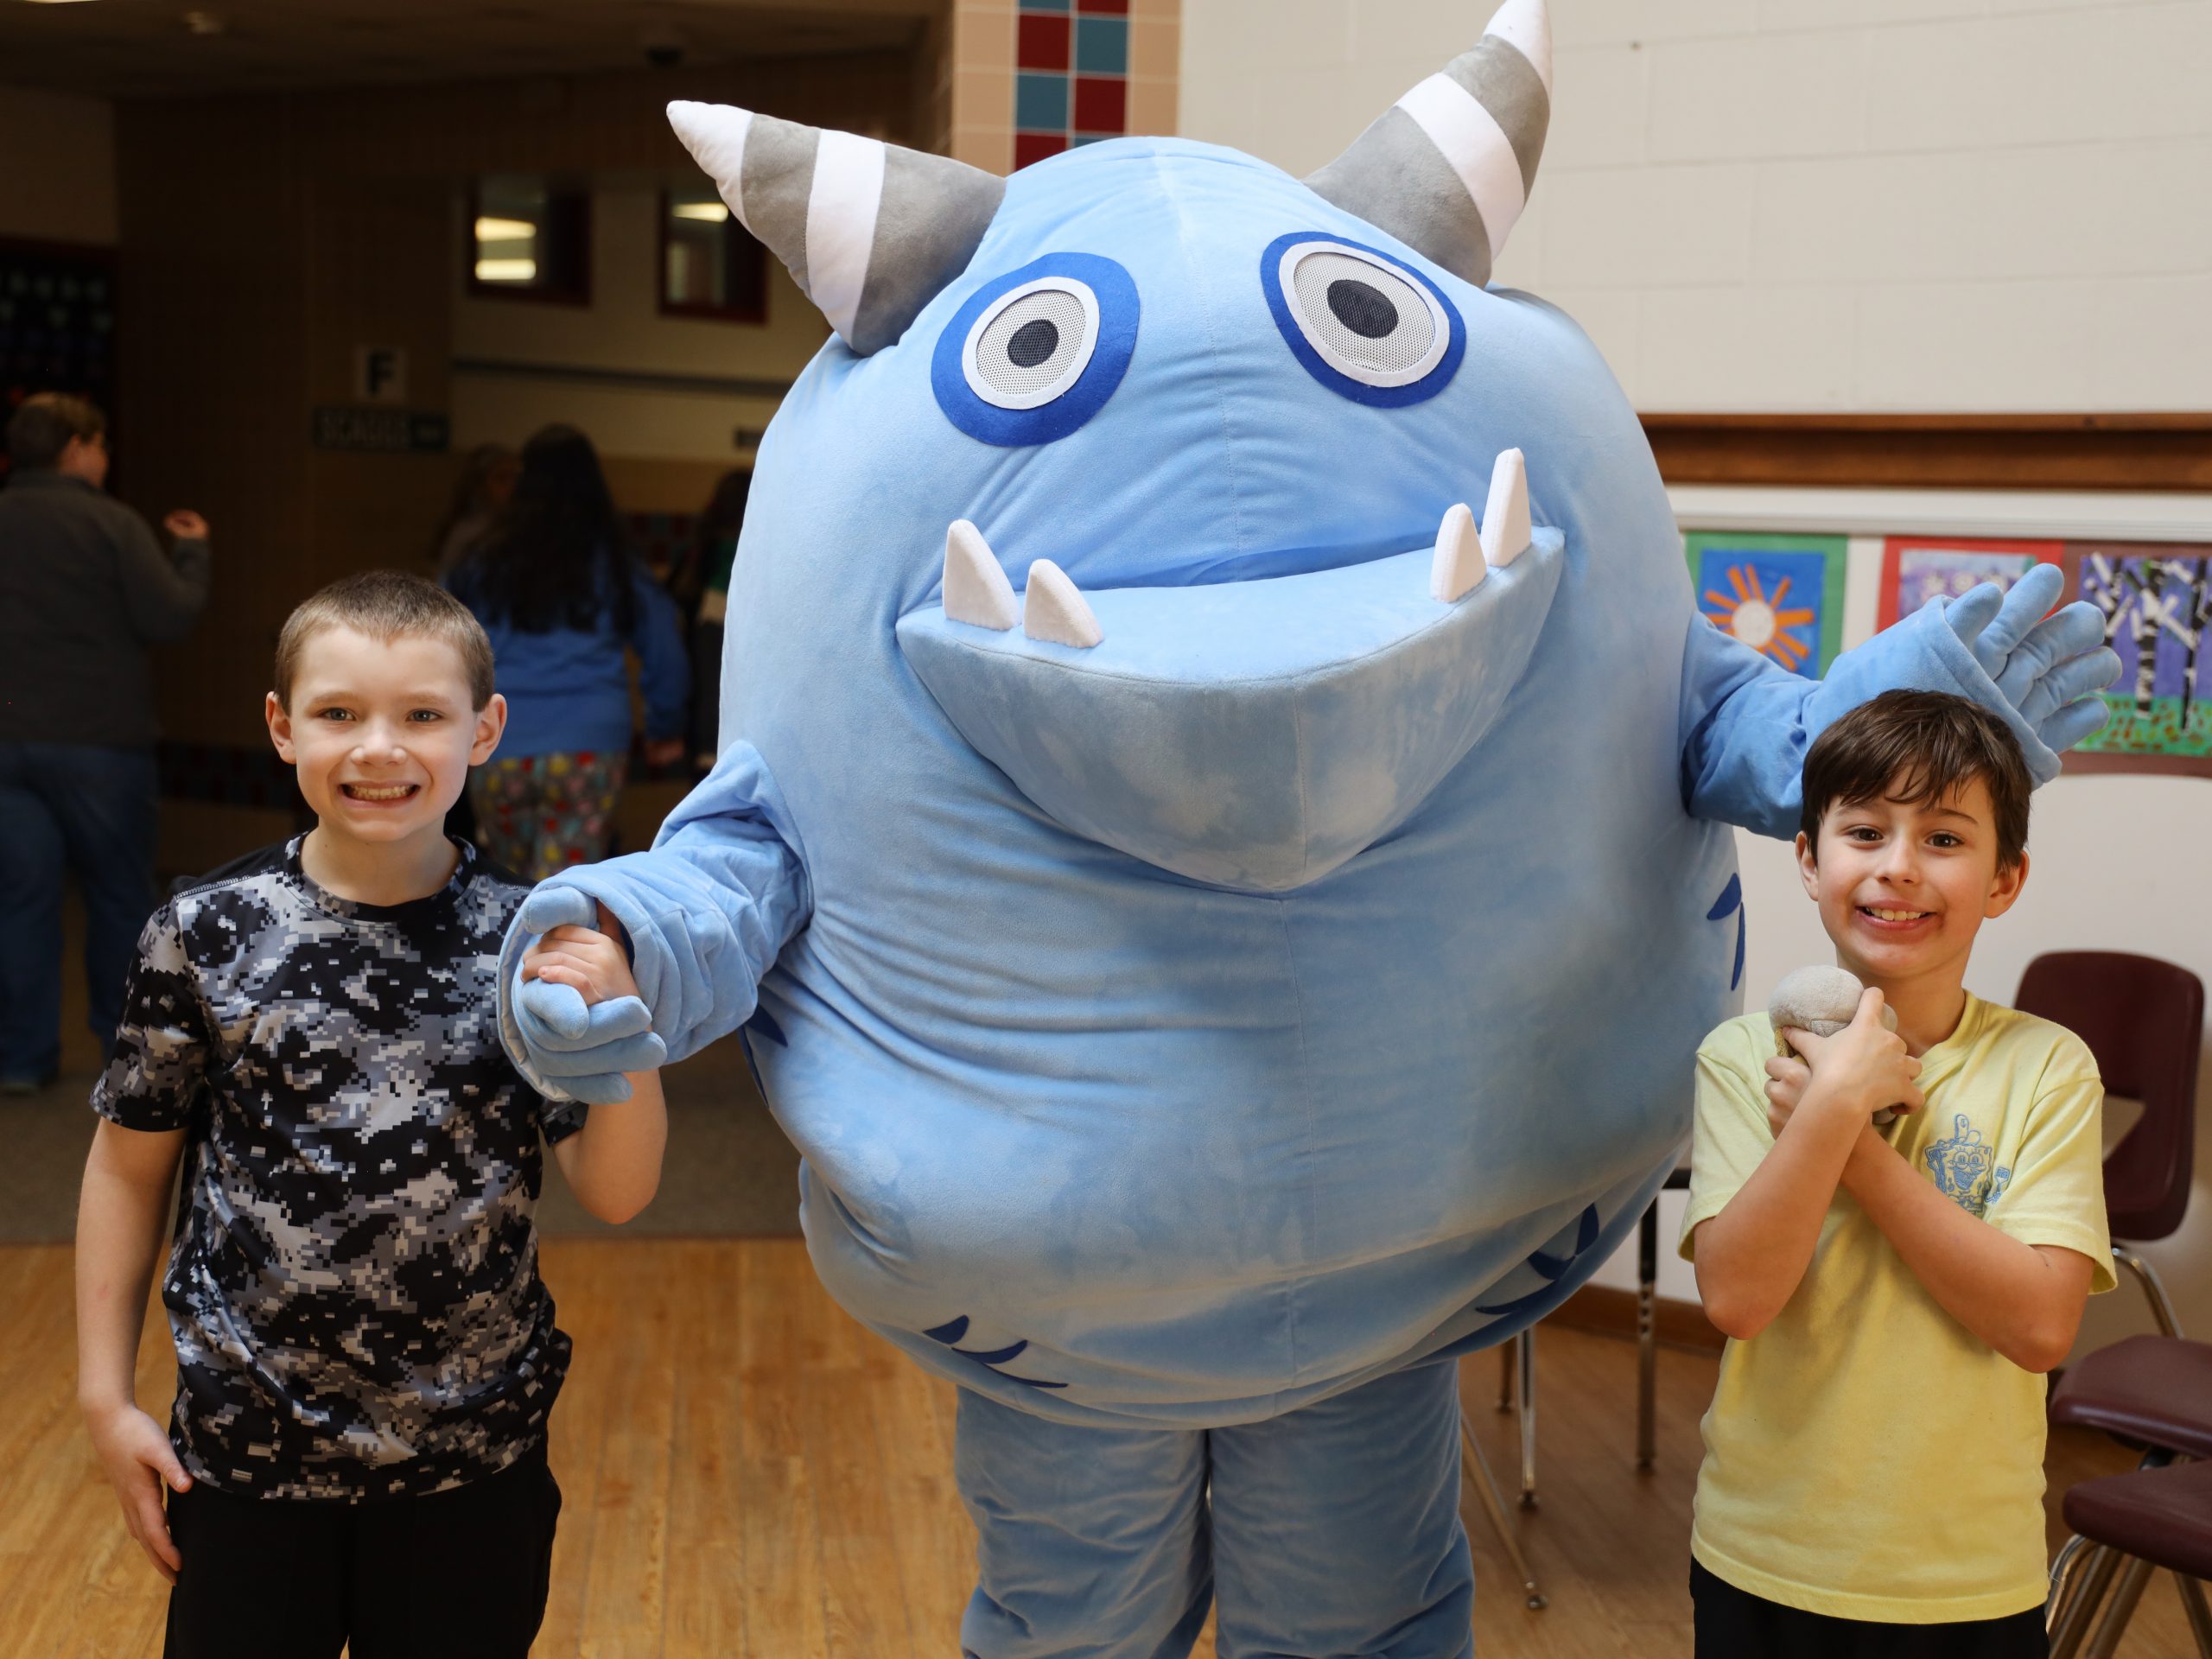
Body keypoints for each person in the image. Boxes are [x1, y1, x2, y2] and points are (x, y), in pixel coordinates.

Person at [73, 571, 668, 1659]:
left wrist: (621, 1026)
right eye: (339, 713)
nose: (379, 749)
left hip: (470, 1461)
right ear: (281, 726)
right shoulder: (202, 933)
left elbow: (619, 1194)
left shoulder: (523, 944)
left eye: (423, 716)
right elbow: (126, 1169)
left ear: (485, 731)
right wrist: (107, 1399)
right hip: (247, 1459)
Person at [1681, 690, 2112, 1656]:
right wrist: (1831, 1104)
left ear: (2005, 879)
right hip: (1762, 1554)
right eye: (1865, 830)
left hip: (1962, 1579)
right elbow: (1739, 1299)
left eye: (1945, 840)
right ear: (1808, 858)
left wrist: (1850, 1139)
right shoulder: (1736, 1058)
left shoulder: (2047, 1067)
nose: (1898, 868)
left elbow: (2040, 1326)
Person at [0, 392, 211, 1093]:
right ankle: (128, 1056)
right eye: (100, 444)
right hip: (100, 741)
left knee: (21, 899)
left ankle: (22, 1059)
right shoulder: (110, 523)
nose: (104, 456)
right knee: (118, 898)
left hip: (8, 739)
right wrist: (191, 553)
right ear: (75, 448)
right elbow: (169, 615)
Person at [446, 425, 687, 881]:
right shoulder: (614, 560)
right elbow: (664, 646)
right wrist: (665, 725)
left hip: (499, 743)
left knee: (510, 889)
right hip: (589, 746)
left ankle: (509, 952)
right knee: (564, 892)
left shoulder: (478, 561)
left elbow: (438, 640)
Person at [668, 467, 749, 768]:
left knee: (708, 685)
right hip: (743, 626)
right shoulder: (760, 541)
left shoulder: (703, 541)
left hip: (705, 626)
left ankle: (705, 752)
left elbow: (676, 592)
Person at [429, 442, 518, 576]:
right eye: (501, 478)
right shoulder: (465, 536)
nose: (511, 486)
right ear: (479, 486)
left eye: (515, 478)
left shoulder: (517, 528)